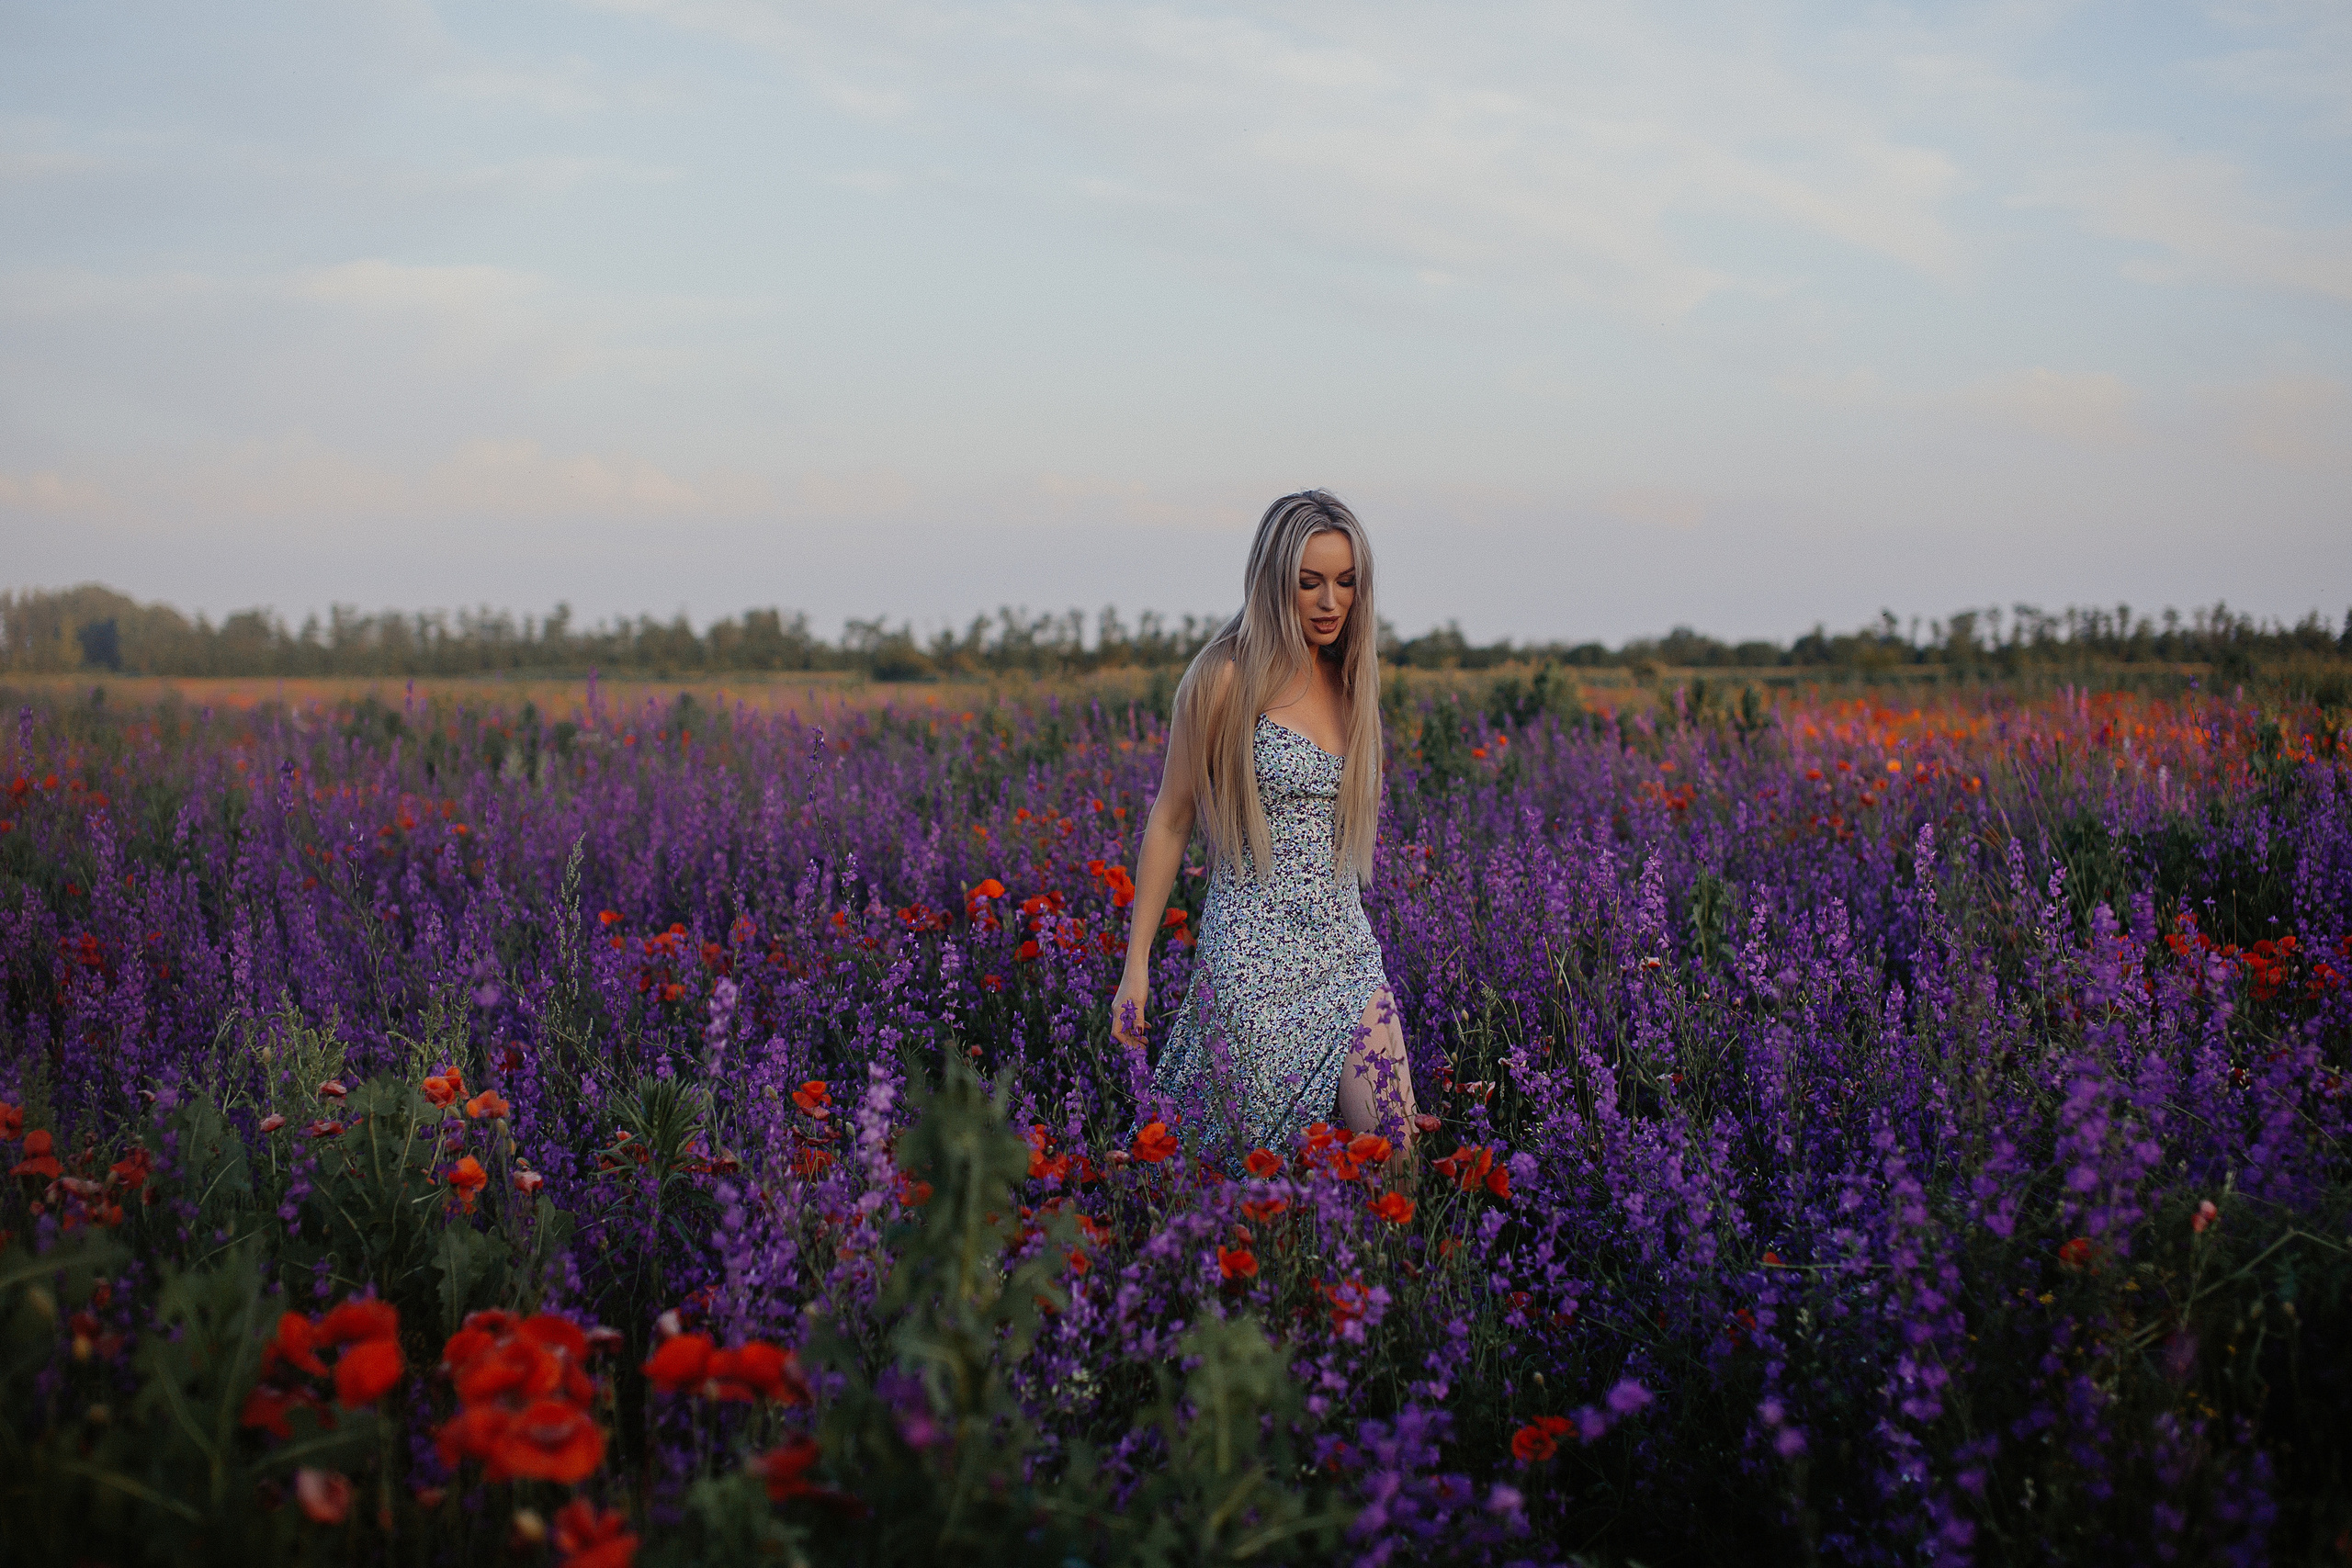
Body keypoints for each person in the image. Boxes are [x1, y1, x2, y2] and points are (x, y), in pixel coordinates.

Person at [1111, 489, 1419, 1157]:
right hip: (1251, 962)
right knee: (1251, 1179)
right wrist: (1136, 966)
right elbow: (1171, 817)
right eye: (1310, 583)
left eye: (1346, 583)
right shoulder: (1222, 679)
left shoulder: (1353, 681)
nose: (1331, 601)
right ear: (1273, 581)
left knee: (1396, 1152)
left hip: (1346, 951)